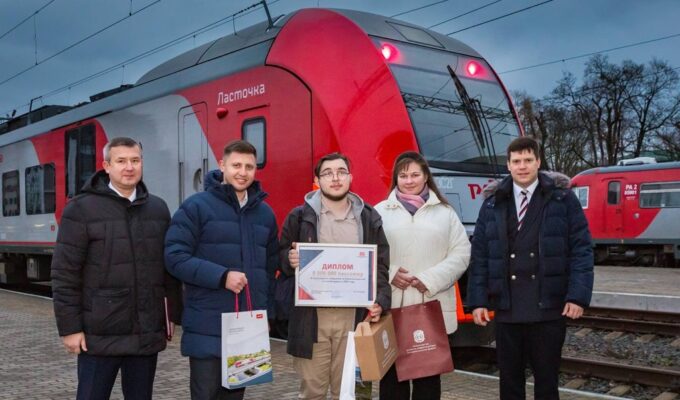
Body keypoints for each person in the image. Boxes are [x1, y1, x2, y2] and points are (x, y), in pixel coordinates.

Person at [51, 136, 182, 400]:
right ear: (106, 165)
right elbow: (65, 273)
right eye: (121, 161)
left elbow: (167, 270)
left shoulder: (157, 208)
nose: (129, 167)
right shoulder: (81, 209)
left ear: (142, 163)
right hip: (98, 335)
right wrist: (70, 329)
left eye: (135, 160)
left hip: (145, 332)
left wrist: (171, 315)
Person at [467, 137, 594, 400]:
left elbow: (581, 249)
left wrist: (577, 295)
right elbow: (480, 255)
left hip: (549, 305)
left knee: (547, 381)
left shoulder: (563, 199)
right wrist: (478, 300)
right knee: (509, 382)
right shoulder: (493, 202)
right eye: (516, 161)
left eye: (528, 160)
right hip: (507, 307)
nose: (522, 166)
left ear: (538, 162)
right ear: (508, 165)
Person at [164, 140, 278, 400]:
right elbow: (174, 257)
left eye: (249, 166)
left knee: (234, 397)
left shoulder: (265, 214)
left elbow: (270, 271)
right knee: (206, 394)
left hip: (248, 328)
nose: (243, 172)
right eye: (236, 165)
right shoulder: (195, 207)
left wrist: (267, 316)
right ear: (222, 165)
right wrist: (221, 276)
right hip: (208, 325)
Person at [280, 152, 391, 400]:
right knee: (313, 392)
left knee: (351, 392)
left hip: (354, 320)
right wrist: (289, 259)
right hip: (312, 320)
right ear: (318, 180)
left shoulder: (368, 217)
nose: (335, 178)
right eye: (328, 173)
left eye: (341, 172)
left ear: (350, 177)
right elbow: (279, 256)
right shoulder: (298, 217)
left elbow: (381, 265)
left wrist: (381, 301)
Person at [374, 151, 471, 400]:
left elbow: (461, 253)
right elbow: (369, 253)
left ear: (426, 176)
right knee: (392, 378)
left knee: (428, 380)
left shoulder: (445, 213)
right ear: (396, 178)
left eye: (415, 174)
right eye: (403, 175)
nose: (409, 180)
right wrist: (392, 273)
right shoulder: (379, 211)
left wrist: (429, 279)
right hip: (391, 306)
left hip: (430, 306)